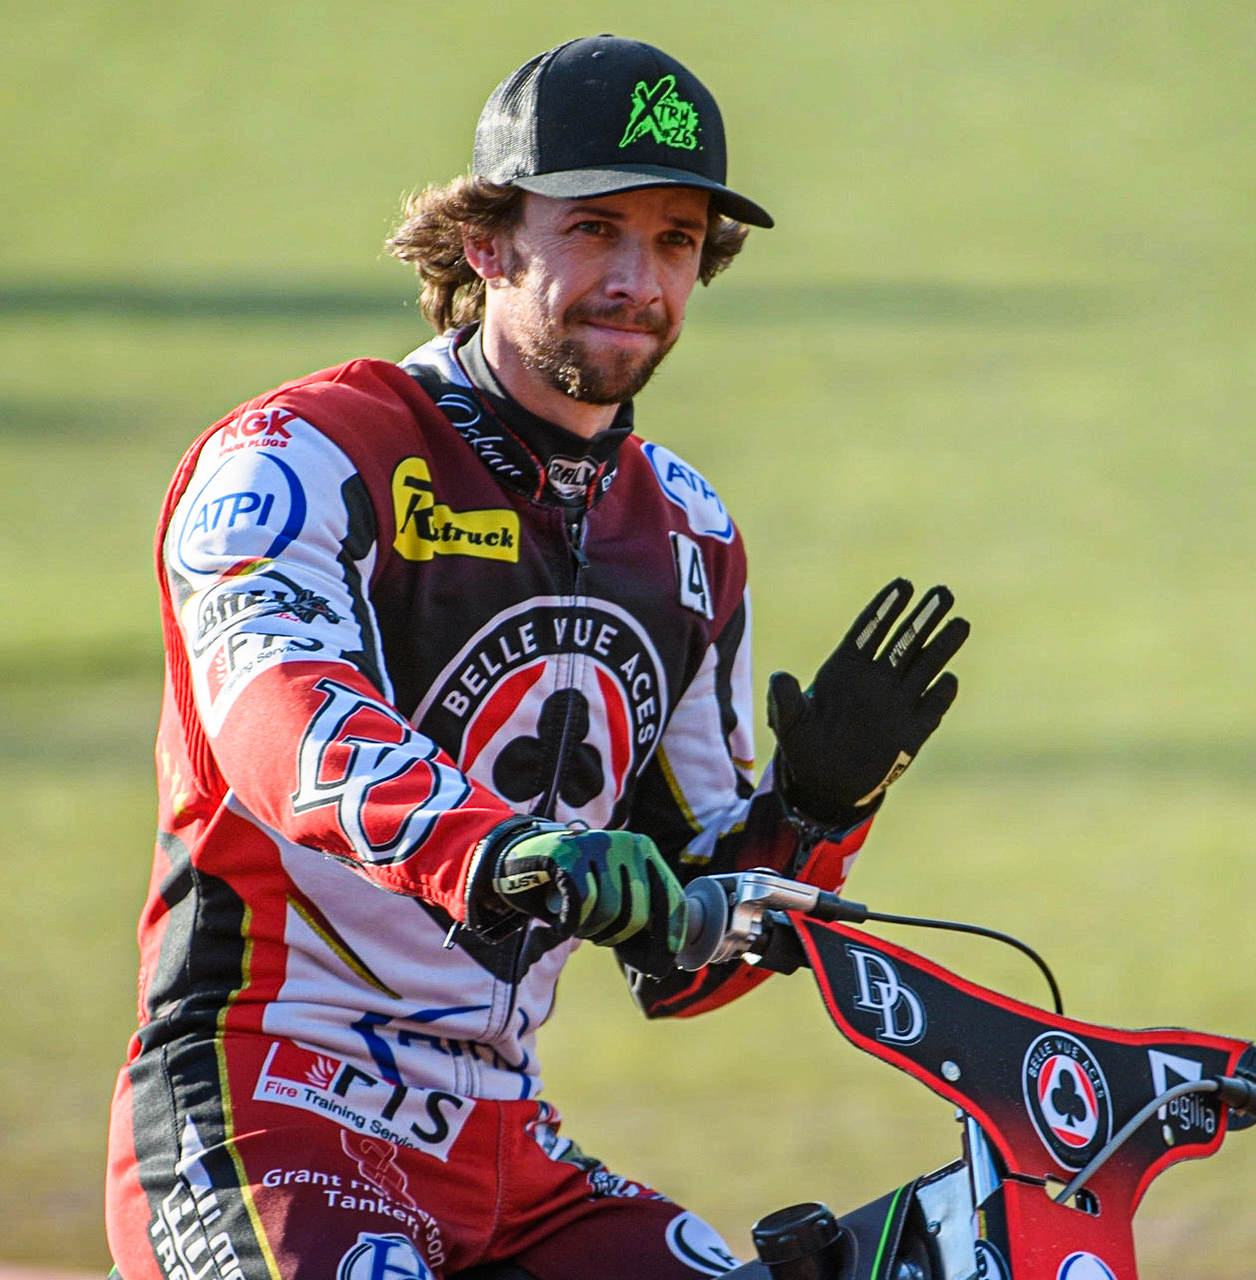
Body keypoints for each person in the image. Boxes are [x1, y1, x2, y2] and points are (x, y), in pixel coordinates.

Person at [105, 35, 967, 1280]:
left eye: (676, 241)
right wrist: (499, 848)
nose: (637, 279)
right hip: (267, 1102)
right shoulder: (304, 453)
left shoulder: (689, 534)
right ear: (486, 242)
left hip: (508, 1141)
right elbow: (277, 718)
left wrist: (817, 812)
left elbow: (685, 960)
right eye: (596, 229)